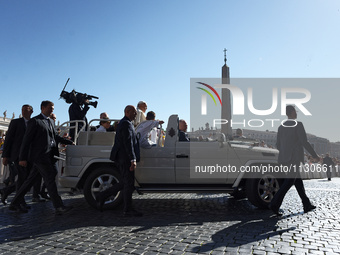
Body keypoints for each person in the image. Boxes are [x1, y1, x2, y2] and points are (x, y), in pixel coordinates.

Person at [9, 101, 74, 214]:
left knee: (30, 181)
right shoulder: (35, 121)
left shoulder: (51, 122)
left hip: (50, 155)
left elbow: (55, 137)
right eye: (50, 108)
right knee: (49, 179)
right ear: (43, 108)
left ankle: (14, 202)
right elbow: (26, 140)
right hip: (39, 157)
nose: (52, 110)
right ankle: (58, 206)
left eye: (53, 108)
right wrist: (22, 158)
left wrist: (68, 142)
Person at [269, 105, 319, 216]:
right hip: (294, 157)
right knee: (290, 181)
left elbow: (278, 144)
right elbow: (304, 142)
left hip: (284, 158)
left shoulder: (281, 127)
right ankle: (274, 204)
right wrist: (314, 155)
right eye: (295, 111)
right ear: (291, 112)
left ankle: (306, 204)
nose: (297, 113)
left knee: (297, 180)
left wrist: (285, 152)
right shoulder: (298, 124)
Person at [96, 105, 142, 217]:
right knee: (129, 184)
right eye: (133, 112)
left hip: (123, 157)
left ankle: (102, 196)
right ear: (127, 112)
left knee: (126, 183)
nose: (136, 114)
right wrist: (133, 159)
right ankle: (127, 209)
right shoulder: (126, 124)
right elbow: (128, 143)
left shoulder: (127, 123)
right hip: (124, 158)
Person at [1, 105, 34, 207]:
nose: (23, 112)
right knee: (22, 178)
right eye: (22, 110)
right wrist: (5, 155)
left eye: (26, 110)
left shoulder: (34, 123)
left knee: (25, 179)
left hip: (30, 156)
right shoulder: (16, 122)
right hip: (17, 156)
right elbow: (8, 139)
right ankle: (19, 201)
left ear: (31, 112)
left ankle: (6, 191)